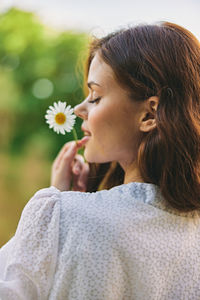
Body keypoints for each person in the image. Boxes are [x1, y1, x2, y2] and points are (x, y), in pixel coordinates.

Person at [0, 21, 200, 300]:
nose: (79, 109)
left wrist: (58, 204)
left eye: (95, 96)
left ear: (149, 115)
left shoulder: (63, 215)